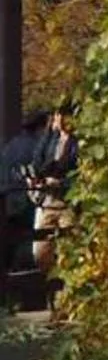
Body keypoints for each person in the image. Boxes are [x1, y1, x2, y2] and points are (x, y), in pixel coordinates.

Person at [25, 104, 77, 275]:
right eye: (57, 115)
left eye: (64, 116)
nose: (60, 120)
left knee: (70, 248)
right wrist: (35, 177)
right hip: (47, 200)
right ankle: (48, 284)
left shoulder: (78, 142)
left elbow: (80, 173)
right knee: (41, 251)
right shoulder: (50, 139)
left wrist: (60, 182)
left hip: (67, 202)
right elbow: (37, 162)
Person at [2, 111, 40, 276]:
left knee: (9, 241)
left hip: (8, 201)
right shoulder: (37, 147)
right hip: (28, 202)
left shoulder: (9, 147)